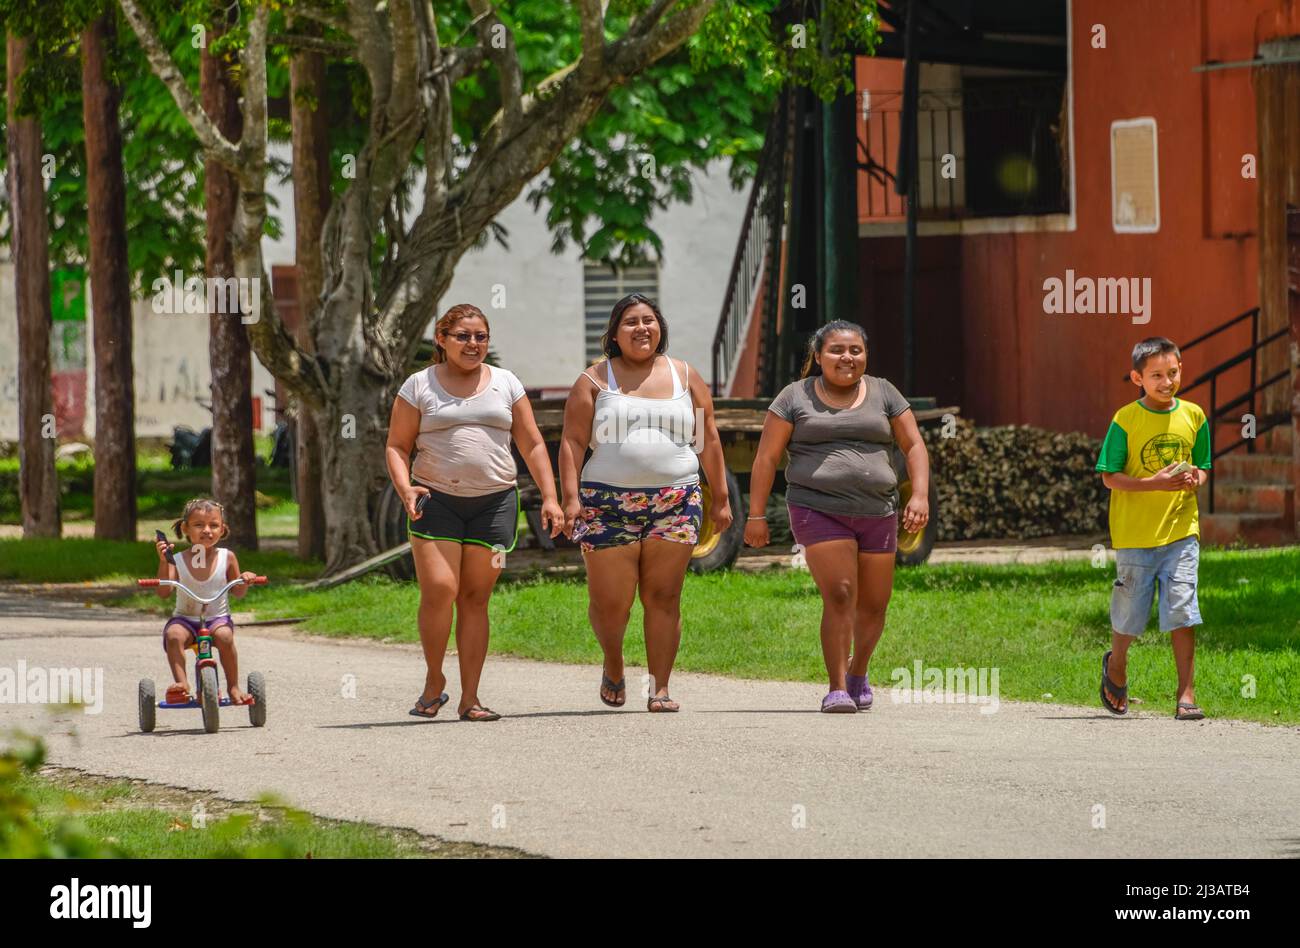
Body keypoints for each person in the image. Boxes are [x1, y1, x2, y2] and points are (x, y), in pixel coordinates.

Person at [385, 303, 563, 721]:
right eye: (463, 335)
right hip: (436, 501)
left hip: (496, 504)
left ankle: (471, 698)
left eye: (480, 336)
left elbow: (533, 444)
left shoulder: (506, 383)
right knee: (441, 590)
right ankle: (434, 680)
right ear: (442, 339)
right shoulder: (419, 385)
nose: (473, 344)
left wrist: (551, 497)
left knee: (475, 599)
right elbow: (396, 445)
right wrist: (405, 486)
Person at [744, 320, 930, 713]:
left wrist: (920, 495)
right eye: (837, 350)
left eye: (855, 350)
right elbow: (766, 458)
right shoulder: (795, 397)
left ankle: (858, 672)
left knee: (875, 604)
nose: (847, 357)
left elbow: (913, 444)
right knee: (842, 593)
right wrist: (755, 515)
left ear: (865, 355)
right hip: (817, 507)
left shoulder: (884, 392)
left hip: (878, 509)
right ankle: (837, 687)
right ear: (818, 356)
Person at [559, 293, 732, 712]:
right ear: (615, 334)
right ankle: (614, 662)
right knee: (611, 603)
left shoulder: (685, 375)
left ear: (661, 328)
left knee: (664, 596)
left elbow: (707, 438)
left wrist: (721, 498)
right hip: (606, 503)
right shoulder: (595, 380)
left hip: (676, 499)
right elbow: (572, 441)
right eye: (631, 322)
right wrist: (568, 499)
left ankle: (660, 688)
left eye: (649, 321)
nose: (642, 329)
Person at [1095, 336, 1211, 720]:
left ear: (1182, 370)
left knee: (1183, 608)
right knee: (1130, 612)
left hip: (1181, 531)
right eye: (1156, 375)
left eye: (1172, 372)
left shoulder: (1194, 416)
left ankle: (1186, 693)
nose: (1166, 382)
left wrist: (1196, 477)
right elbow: (1110, 478)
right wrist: (1153, 484)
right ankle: (1117, 665)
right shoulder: (1125, 419)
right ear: (1137, 378)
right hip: (1134, 536)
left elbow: (1203, 467)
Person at [151, 498, 258, 705]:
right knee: (174, 636)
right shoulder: (178, 559)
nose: (207, 530)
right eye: (199, 525)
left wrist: (245, 579)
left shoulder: (228, 557)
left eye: (214, 525)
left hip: (217, 619)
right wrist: (164, 562)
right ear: (185, 528)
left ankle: (234, 687)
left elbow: (238, 592)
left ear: (223, 529)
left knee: (225, 637)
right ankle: (181, 685)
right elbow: (164, 591)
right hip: (185, 619)